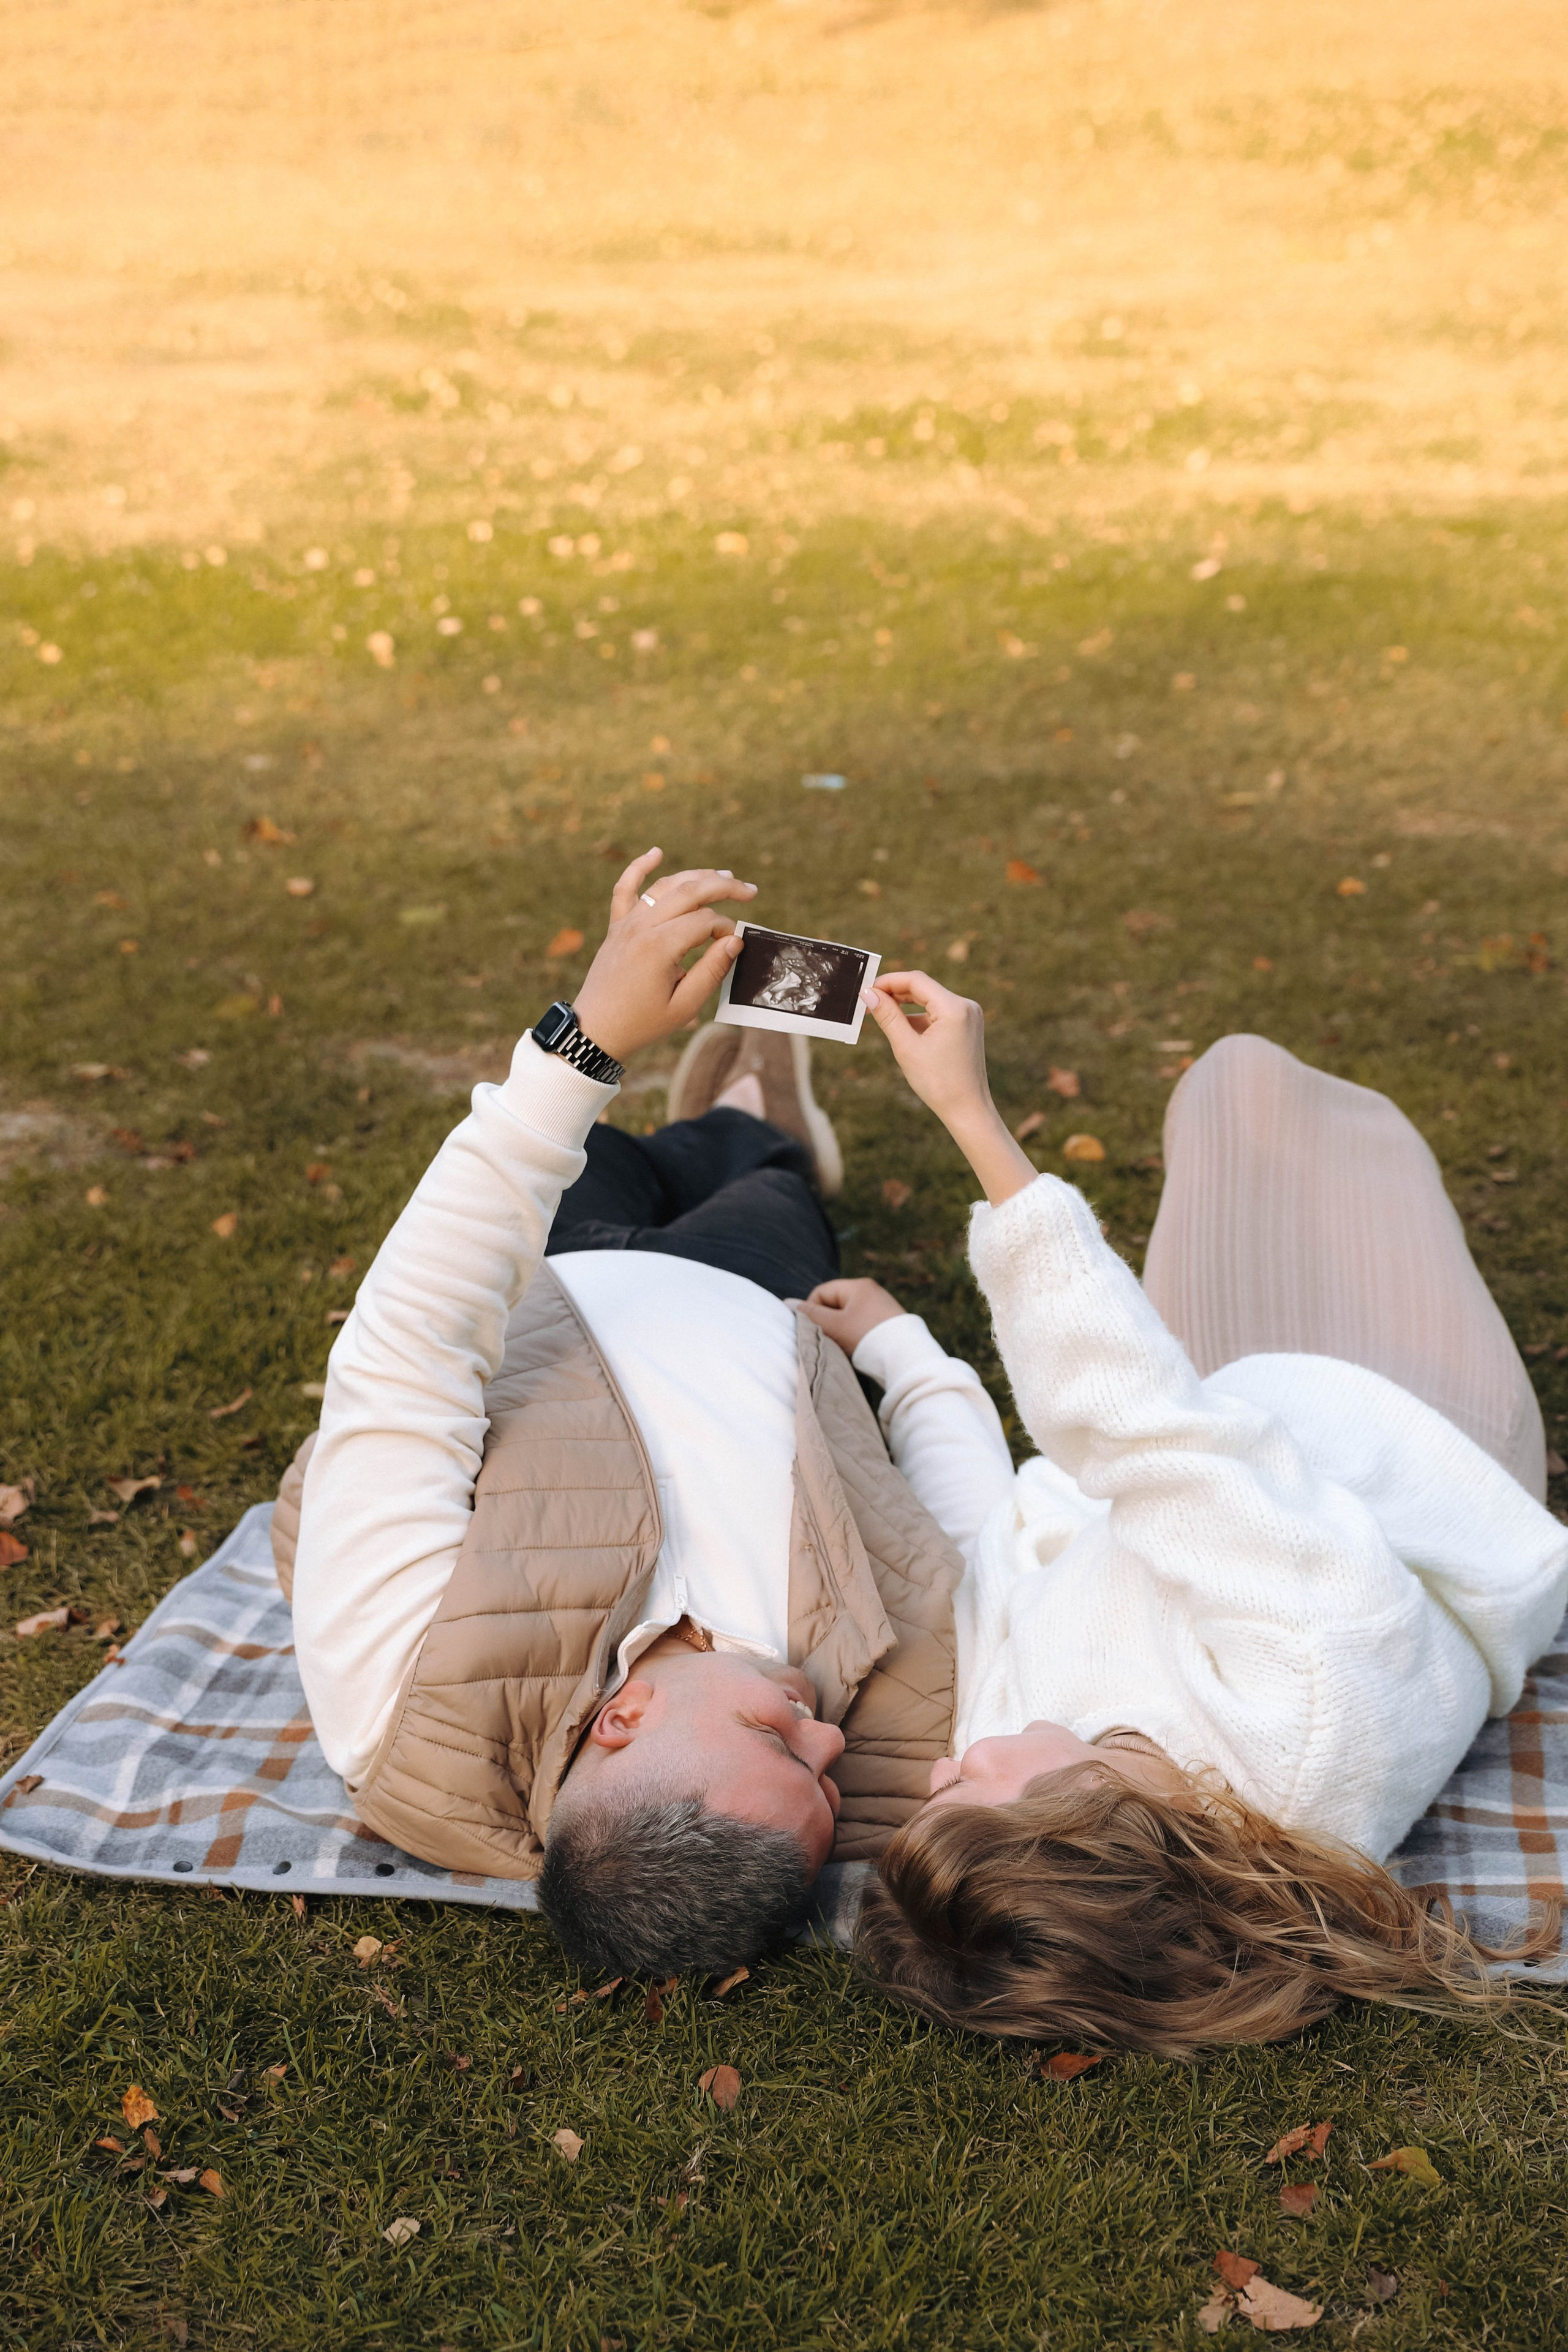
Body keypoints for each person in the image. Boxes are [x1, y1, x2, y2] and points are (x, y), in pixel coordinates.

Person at [806, 970, 1568, 2057]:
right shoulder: (1304, 1712)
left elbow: (1004, 1544)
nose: (941, 1768)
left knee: (1232, 1087)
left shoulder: (1041, 1757)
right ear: (1072, 1826)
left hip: (1226, 1423)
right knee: (1249, 1087)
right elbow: (1143, 1432)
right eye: (959, 1790)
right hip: (1414, 1435)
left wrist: (902, 1350)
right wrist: (971, 1116)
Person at [270, 853, 992, 1981]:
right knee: (768, 1183)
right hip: (763, 1294)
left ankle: (692, 1124)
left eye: (779, 1743)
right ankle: (747, 1115)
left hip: (542, 1285)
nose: (830, 1736)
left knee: (593, 1153)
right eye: (825, 1775)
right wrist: (907, 1354)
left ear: (622, 1721)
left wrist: (587, 1046)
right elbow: (967, 1537)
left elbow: (409, 1358)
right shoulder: (902, 1758)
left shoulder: (403, 1703)